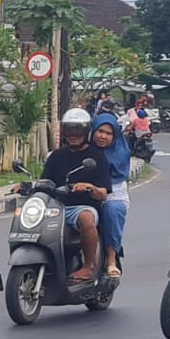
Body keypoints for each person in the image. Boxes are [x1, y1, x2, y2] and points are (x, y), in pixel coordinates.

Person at [29, 108, 110, 284]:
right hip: (56, 206)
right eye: (70, 130)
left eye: (78, 131)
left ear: (86, 132)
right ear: (64, 132)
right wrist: (25, 186)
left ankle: (88, 266)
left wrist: (89, 187)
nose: (73, 135)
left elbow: (103, 194)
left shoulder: (96, 156)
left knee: (87, 219)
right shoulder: (56, 156)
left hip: (81, 207)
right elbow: (45, 182)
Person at [91, 112, 131, 280]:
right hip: (84, 196)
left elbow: (115, 181)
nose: (103, 136)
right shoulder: (83, 150)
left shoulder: (120, 153)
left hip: (113, 196)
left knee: (111, 210)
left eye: (108, 133)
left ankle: (111, 260)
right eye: (100, 131)